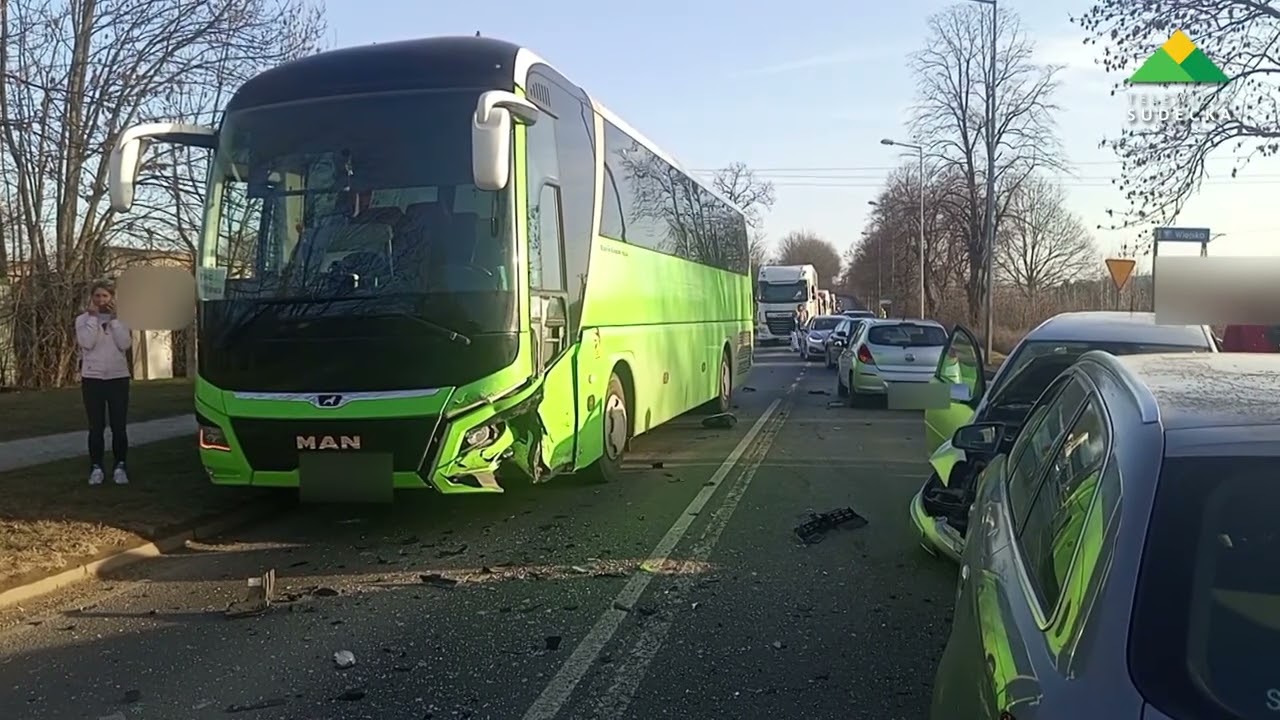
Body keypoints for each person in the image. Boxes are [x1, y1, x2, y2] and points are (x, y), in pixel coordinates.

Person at [75, 280, 132, 485]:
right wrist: (92, 319)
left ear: (112, 298)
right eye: (97, 296)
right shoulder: (82, 320)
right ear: (92, 298)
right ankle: (96, 467)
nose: (101, 300)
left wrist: (115, 321)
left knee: (119, 426)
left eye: (105, 296)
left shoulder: (123, 319)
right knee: (96, 426)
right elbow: (86, 343)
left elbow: (124, 344)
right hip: (93, 379)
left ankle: (120, 466)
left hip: (118, 378)